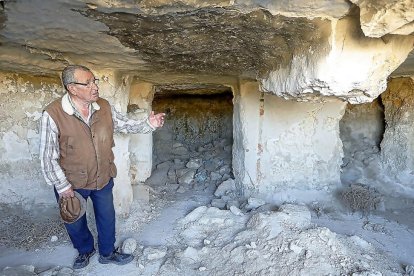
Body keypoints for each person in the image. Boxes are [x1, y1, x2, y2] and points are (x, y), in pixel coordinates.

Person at [39, 65, 165, 269]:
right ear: (72, 88)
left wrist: (148, 123)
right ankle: (85, 250)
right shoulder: (53, 114)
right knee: (75, 221)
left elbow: (124, 124)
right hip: (71, 181)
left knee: (107, 217)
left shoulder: (103, 106)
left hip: (102, 176)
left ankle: (107, 252)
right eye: (87, 83)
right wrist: (63, 187)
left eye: (94, 81)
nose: (94, 86)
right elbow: (47, 157)